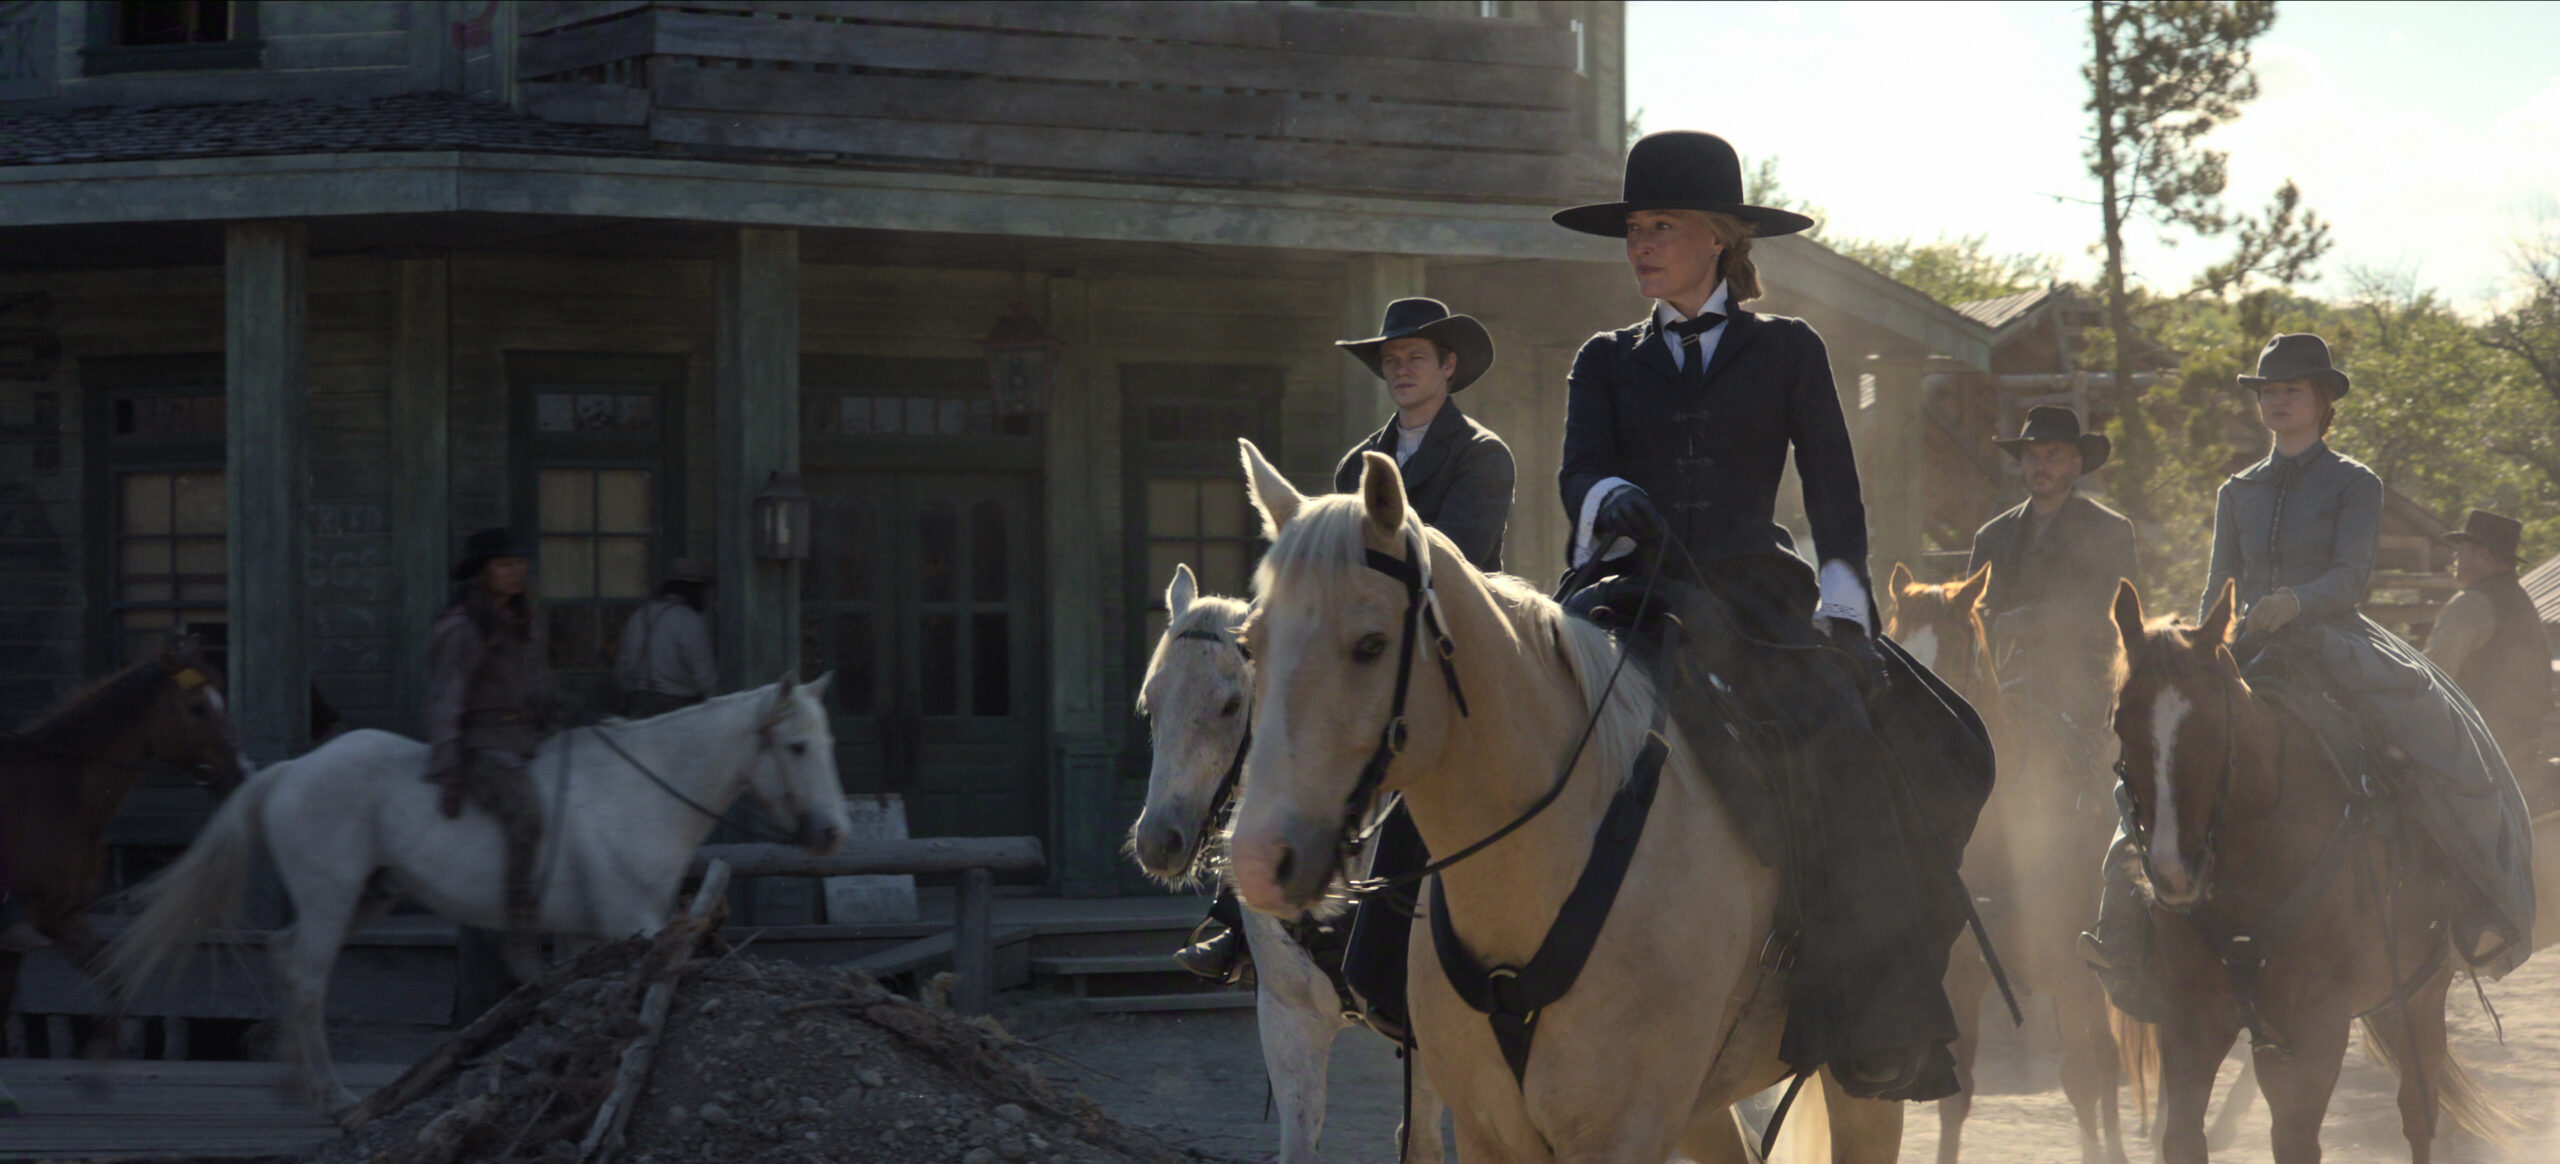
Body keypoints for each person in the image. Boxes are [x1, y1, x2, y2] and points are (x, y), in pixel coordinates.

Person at [1549, 129, 1988, 1101]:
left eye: (1659, 226)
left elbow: (1833, 487)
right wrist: (1606, 493)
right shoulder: (1601, 360)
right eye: (1631, 229)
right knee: (1503, 700)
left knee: (1846, 744)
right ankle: (1379, 955)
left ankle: (1879, 1013)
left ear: (1717, 238)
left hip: (1754, 590)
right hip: (1631, 588)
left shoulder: (1788, 349)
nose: (1638, 244)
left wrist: (1842, 599)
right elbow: (1576, 470)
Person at [2080, 335, 2537, 1010]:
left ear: (2324, 403)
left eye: (2291, 390)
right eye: (2267, 391)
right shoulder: (2236, 491)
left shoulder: (2355, 483)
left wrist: (2296, 600)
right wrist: (2203, 641)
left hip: (2332, 641)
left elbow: (2351, 578)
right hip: (2241, 648)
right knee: (2157, 753)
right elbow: (2217, 584)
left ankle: (2482, 905)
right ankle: (2121, 924)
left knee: (2438, 731)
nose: (2276, 400)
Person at [1175, 298, 1517, 1002]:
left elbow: (1462, 563)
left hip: (1444, 645)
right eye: (1390, 361)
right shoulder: (1355, 462)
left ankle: (1388, 953)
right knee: (1273, 724)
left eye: (1413, 358)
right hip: (1357, 649)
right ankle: (1235, 917)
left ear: (1447, 367)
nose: (1400, 370)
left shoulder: (1483, 456)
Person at [424, 527, 559, 982]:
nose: (516, 572)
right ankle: (520, 937)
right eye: (504, 564)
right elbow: (445, 701)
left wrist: (571, 712)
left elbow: (539, 685)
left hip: (529, 738)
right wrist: (447, 769)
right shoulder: (462, 627)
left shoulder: (525, 620)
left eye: (520, 563)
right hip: (482, 744)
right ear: (482, 573)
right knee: (527, 816)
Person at [2426, 510, 2552, 799]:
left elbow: (2431, 673)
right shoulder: (2519, 599)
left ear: (2483, 555)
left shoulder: (2474, 602)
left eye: (2461, 553)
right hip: (2522, 736)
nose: (2454, 561)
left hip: (2478, 742)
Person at [616, 557, 718, 718]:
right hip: (678, 710)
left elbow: (623, 668)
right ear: (695, 590)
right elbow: (705, 677)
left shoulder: (640, 615)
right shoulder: (690, 620)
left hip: (637, 704)